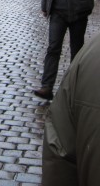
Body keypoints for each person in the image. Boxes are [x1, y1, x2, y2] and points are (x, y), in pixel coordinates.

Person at [42, 32, 100, 185]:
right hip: (58, 11)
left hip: (78, 14)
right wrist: (46, 6)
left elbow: (59, 160)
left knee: (75, 49)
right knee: (54, 48)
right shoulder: (89, 57)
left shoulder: (88, 56)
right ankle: (46, 85)